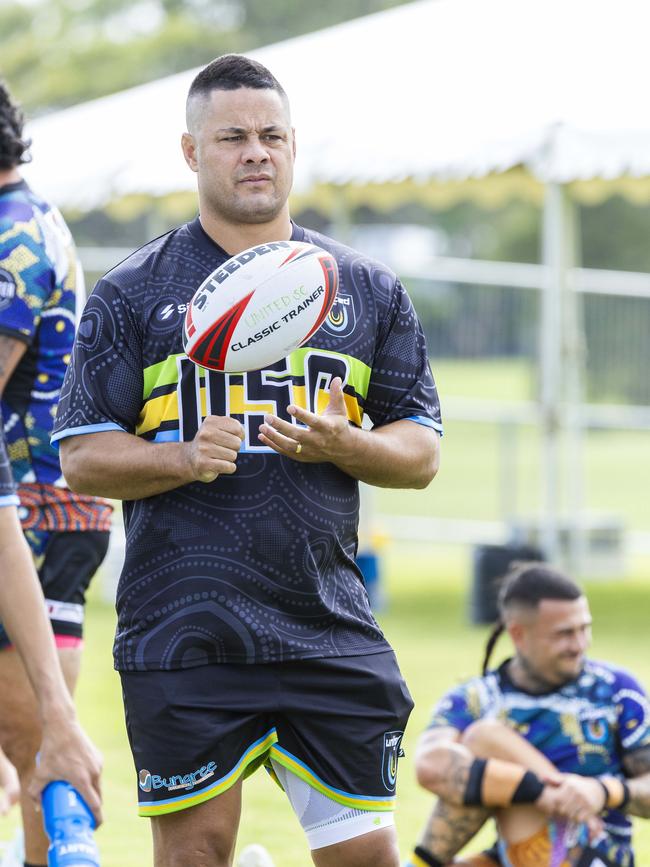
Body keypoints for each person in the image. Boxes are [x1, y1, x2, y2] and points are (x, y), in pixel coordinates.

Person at [51, 54, 442, 867]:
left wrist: (352, 445)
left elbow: (422, 452)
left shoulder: (366, 289)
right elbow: (84, 457)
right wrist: (183, 457)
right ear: (193, 153)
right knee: (197, 854)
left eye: (271, 135)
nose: (255, 152)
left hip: (326, 627)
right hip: (184, 633)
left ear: (294, 146)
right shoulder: (131, 295)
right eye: (232, 136)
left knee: (369, 858)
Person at [0, 80, 112, 866]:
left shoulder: (15, 236)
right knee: (30, 735)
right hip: (40, 505)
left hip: (36, 511)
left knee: (35, 733)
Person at [407, 562, 650, 867]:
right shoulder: (477, 698)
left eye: (584, 628)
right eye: (564, 634)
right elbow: (432, 765)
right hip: (517, 853)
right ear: (518, 634)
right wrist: (544, 791)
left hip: (596, 853)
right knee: (485, 736)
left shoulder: (617, 690)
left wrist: (602, 791)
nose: (579, 645)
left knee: (486, 738)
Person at [0, 427, 103, 833]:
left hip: (60, 519)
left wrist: (61, 717)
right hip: (39, 497)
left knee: (40, 745)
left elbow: (6, 548)